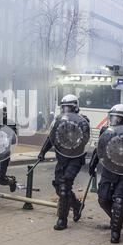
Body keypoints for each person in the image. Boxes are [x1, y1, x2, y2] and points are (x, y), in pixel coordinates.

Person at [89, 105, 123, 244]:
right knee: (103, 198)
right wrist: (93, 163)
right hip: (109, 168)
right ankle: (115, 219)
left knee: (119, 199)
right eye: (112, 116)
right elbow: (99, 148)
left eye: (117, 117)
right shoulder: (106, 130)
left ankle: (115, 231)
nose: (114, 120)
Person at [38, 95, 88, 230]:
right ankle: (77, 205)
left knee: (65, 187)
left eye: (69, 107)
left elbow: (84, 140)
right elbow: (51, 137)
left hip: (75, 158)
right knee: (59, 187)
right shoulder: (59, 121)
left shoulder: (83, 121)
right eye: (64, 107)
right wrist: (43, 151)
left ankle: (62, 220)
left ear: (75, 107)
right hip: (62, 158)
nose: (66, 110)